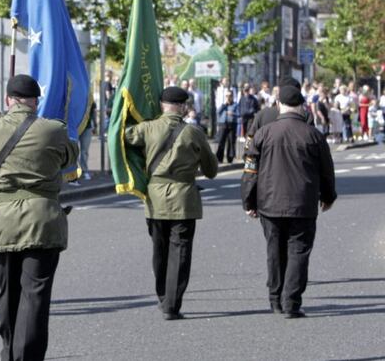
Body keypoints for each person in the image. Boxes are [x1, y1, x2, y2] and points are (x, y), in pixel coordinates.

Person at [0, 74, 78, 361]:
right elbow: (70, 158)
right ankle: (28, 357)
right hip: (42, 220)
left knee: (8, 292)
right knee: (35, 294)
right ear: (36, 101)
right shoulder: (53, 129)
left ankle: (8, 352)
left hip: (4, 221)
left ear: (9, 99)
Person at [241, 85, 336, 318]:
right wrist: (328, 197)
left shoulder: (264, 133)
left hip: (269, 203)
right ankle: (291, 302)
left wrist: (249, 201)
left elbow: (250, 171)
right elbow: (326, 172)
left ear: (279, 105)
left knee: (274, 251)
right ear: (302, 106)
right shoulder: (313, 134)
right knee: (298, 251)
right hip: (303, 204)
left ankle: (275, 299)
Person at [124, 86, 218, 320]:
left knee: (160, 250)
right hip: (184, 198)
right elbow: (212, 170)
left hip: (155, 198)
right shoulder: (193, 132)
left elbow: (122, 136)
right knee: (180, 251)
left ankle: (162, 295)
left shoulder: (147, 128)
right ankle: (171, 304)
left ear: (162, 105)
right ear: (183, 106)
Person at [215, 91, 239, 163]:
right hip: (223, 124)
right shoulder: (223, 105)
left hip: (232, 124)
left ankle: (230, 158)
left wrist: (233, 113)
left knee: (231, 141)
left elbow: (239, 113)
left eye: (230, 96)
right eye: (227, 96)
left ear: (232, 97)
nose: (228, 97)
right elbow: (218, 112)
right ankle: (219, 158)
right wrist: (224, 105)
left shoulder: (235, 105)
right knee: (221, 141)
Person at [78, 101, 97, 180]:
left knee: (84, 151)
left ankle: (84, 171)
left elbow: (93, 113)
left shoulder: (91, 99)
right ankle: (74, 171)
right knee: (73, 150)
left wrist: (95, 125)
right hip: (75, 127)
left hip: (87, 127)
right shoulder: (74, 96)